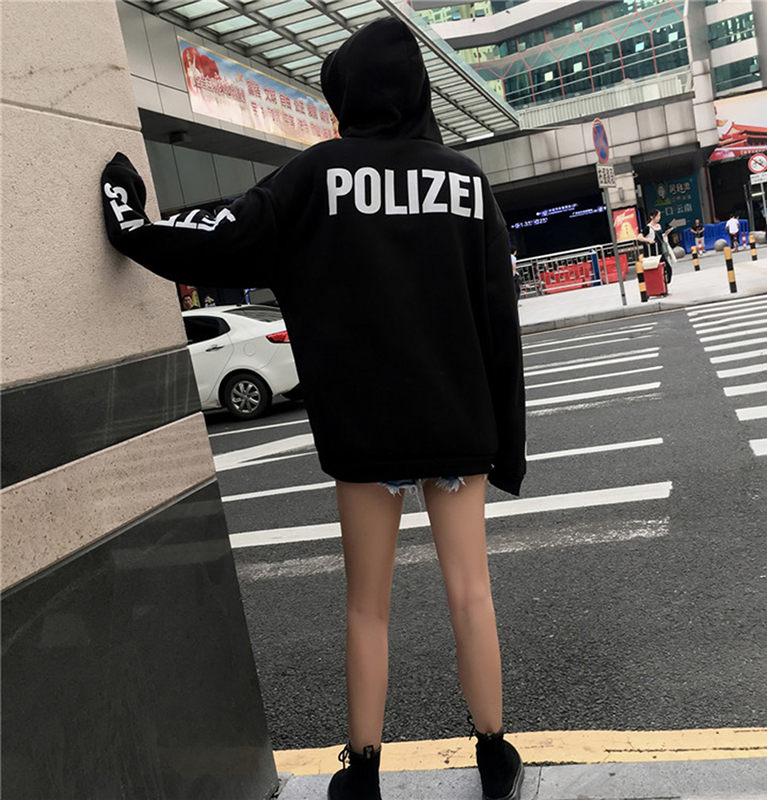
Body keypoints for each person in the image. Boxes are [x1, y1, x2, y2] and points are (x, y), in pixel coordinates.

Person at [100, 18, 526, 800]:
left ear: (347, 95)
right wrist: (511, 448)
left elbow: (218, 238)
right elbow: (501, 320)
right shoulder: (467, 184)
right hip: (458, 426)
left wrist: (130, 221)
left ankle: (363, 772)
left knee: (367, 607)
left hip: (364, 430)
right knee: (472, 593)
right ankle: (495, 756)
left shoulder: (316, 177)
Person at [637, 209, 673, 287]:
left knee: (668, 269)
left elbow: (660, 238)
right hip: (652, 252)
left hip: (660, 251)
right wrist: (648, 240)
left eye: (659, 216)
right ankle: (659, 286)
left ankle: (665, 284)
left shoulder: (658, 226)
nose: (659, 217)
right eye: (658, 216)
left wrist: (665, 233)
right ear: (652, 217)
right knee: (656, 270)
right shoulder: (648, 227)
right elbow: (639, 237)